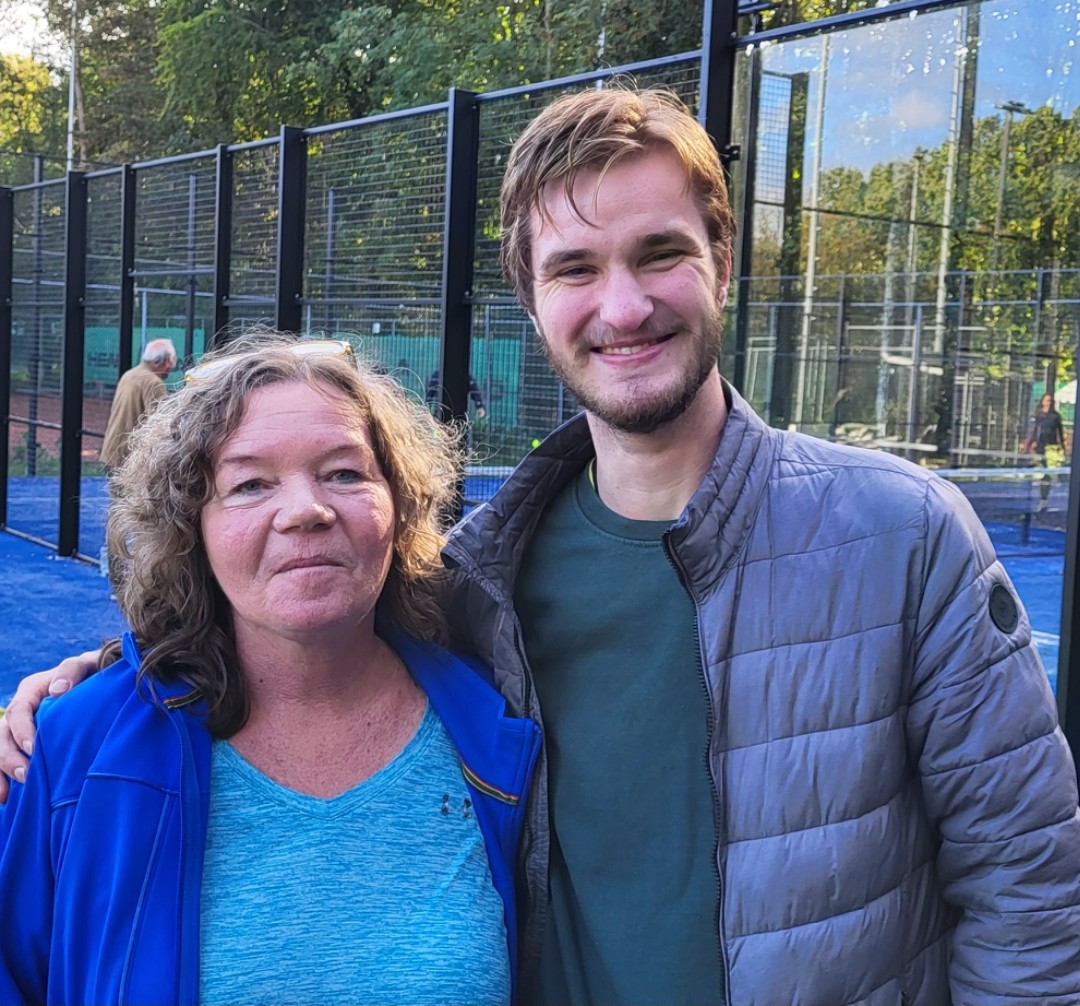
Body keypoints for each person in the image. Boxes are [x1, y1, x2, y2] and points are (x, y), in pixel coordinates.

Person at [3, 87, 1080, 1005]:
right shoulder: (473, 582)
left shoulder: (903, 534)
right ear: (531, 292)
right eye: (575, 267)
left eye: (661, 252)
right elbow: (281, 624)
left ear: (722, 260)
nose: (624, 303)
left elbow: (1031, 891)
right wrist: (88, 688)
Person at [0, 335, 539, 1004]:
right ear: (191, 526)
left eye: (344, 472)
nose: (306, 510)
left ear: (398, 505)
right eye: (250, 484)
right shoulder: (73, 749)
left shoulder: (502, 733)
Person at [98, 338, 177, 470]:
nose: (171, 368)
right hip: (131, 459)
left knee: (116, 490)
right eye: (171, 362)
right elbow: (162, 423)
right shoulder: (153, 382)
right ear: (164, 360)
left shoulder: (130, 375)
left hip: (113, 451)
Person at [1025, 391, 1068, 511]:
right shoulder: (1038, 416)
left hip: (1051, 448)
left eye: (1050, 401)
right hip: (1039, 447)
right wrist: (1029, 445)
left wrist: (1062, 448)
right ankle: (1041, 497)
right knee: (1040, 473)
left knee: (1047, 475)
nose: (1048, 403)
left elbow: (1059, 432)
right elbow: (1033, 432)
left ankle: (1044, 499)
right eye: (1046, 400)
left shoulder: (1055, 417)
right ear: (1043, 402)